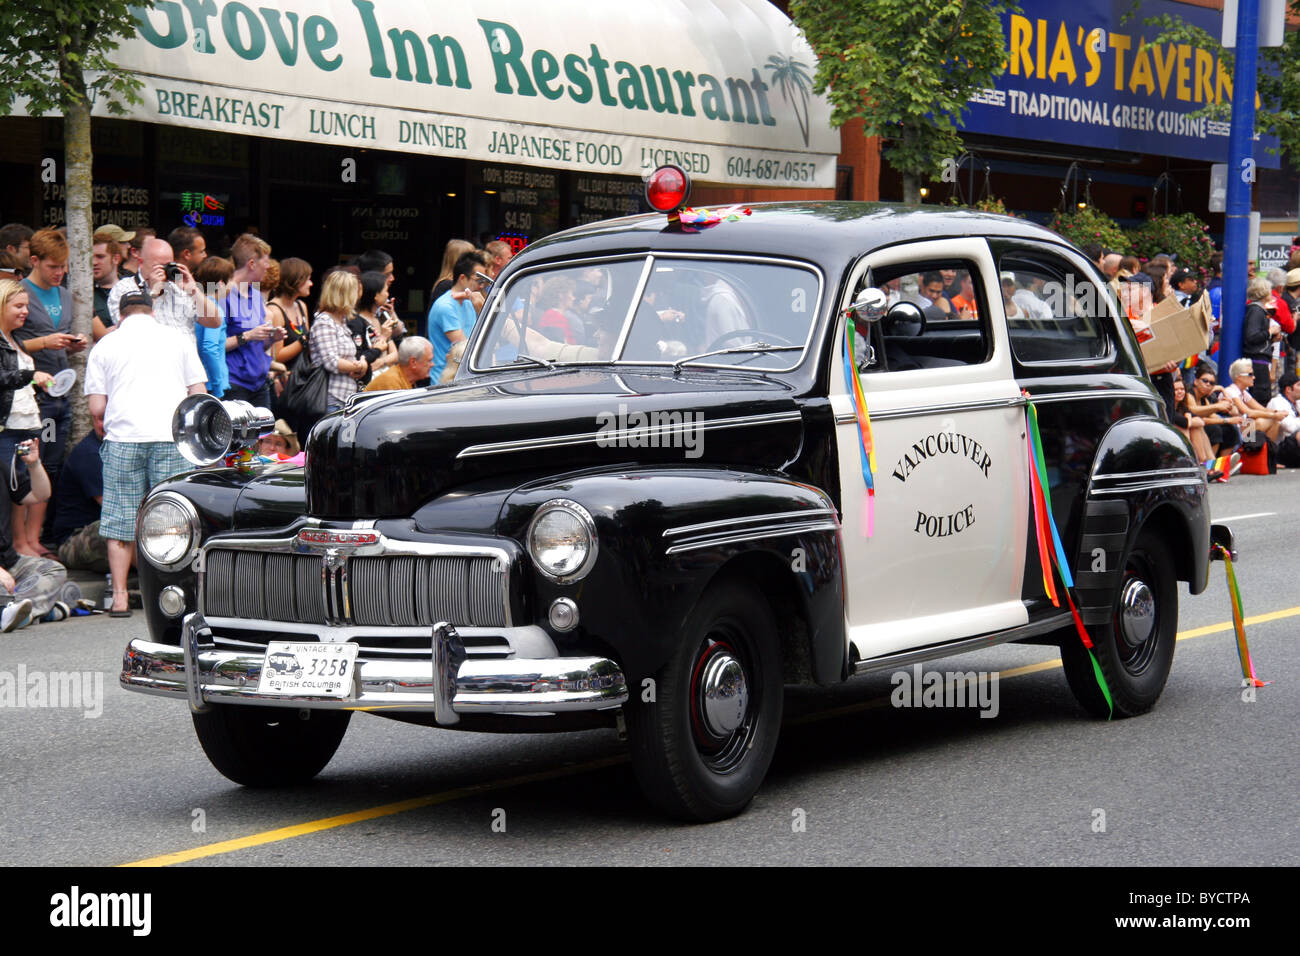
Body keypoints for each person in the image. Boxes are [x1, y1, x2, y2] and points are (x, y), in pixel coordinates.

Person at [85, 292, 206, 617]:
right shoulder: (178, 338)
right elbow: (199, 394)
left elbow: (97, 406)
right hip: (170, 437)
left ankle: (121, 596)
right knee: (172, 519)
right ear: (152, 312)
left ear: (121, 316)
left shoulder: (105, 345)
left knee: (121, 518)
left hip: (124, 438)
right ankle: (178, 595)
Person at [17, 228, 87, 545]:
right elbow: (9, 346)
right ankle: (26, 541)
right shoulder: (18, 294)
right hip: (33, 398)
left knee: (53, 466)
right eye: (52, 266)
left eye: (63, 266)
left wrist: (70, 346)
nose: (59, 273)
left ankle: (40, 538)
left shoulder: (65, 295)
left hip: (61, 396)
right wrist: (44, 342)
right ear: (34, 260)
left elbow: (57, 341)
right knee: (33, 465)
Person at [0, 278, 57, 560]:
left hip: (27, 425)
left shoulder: (16, 339)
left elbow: (17, 383)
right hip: (7, 429)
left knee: (23, 487)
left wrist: (38, 385)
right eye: (18, 306)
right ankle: (13, 549)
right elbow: (4, 378)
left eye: (27, 306)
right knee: (9, 489)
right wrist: (29, 376)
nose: (25, 312)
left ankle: (18, 546)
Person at [106, 235, 222, 334]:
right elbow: (129, 330)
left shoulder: (179, 288)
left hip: (182, 358)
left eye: (168, 265)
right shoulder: (124, 288)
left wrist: (194, 291)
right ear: (141, 262)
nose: (165, 271)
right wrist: (153, 293)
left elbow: (214, 322)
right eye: (159, 266)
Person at [222, 233, 280, 409]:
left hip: (259, 383)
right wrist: (247, 335)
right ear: (252, 264)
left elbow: (258, 343)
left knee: (263, 436)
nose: (269, 266)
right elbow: (212, 346)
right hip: (233, 383)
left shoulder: (255, 294)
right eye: (265, 261)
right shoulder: (221, 293)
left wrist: (271, 338)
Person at [309, 270, 368, 414]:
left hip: (344, 396)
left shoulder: (341, 321)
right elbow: (331, 361)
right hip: (331, 397)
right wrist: (358, 367)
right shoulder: (324, 322)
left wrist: (360, 364)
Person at [50, 422, 107, 573]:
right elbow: (110, 507)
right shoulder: (90, 453)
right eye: (100, 418)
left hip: (104, 530)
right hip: (73, 540)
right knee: (124, 527)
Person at [427, 252, 483, 380]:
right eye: (478, 280)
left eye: (483, 281)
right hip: (444, 378)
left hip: (463, 375)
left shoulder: (469, 302)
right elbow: (464, 349)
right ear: (462, 278)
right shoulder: (445, 306)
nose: (481, 285)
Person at [267, 257, 313, 400]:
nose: (311, 284)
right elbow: (277, 355)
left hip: (302, 379)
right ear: (295, 280)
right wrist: (304, 340)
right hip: (284, 382)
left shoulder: (301, 306)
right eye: (307, 279)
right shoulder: (275, 311)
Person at [350, 270, 402, 387]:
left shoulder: (380, 317)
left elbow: (395, 354)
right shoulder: (358, 322)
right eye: (385, 290)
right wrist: (383, 337)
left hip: (384, 377)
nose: (387, 294)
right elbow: (365, 355)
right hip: (370, 382)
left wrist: (382, 361)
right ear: (376, 296)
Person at [192, 256, 233, 399]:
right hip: (212, 386)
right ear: (221, 283)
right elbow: (209, 348)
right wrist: (217, 387)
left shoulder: (197, 304)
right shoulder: (214, 309)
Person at [1223, 357, 1286, 444]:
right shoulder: (1230, 391)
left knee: (1275, 422)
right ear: (1239, 377)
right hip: (1232, 429)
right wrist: (1273, 415)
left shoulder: (1244, 392)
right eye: (1250, 374)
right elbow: (1248, 413)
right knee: (1262, 422)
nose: (1254, 377)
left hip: (1243, 426)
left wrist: (1277, 412)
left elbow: (1261, 409)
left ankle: (1268, 453)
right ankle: (1262, 453)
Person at [1187, 363, 1244, 458]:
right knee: (1215, 430)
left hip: (1245, 423)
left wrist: (1223, 391)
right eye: (1205, 381)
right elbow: (1247, 411)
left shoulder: (1245, 393)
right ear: (1196, 382)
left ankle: (1223, 462)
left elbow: (1234, 412)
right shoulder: (1189, 393)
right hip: (1191, 426)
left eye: (1211, 383)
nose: (1208, 384)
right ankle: (1211, 464)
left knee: (1231, 429)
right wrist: (1272, 415)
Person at [1241, 276, 1279, 407]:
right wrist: (1270, 332)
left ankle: (1253, 427)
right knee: (1258, 400)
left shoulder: (1257, 311)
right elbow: (1251, 336)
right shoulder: (1256, 311)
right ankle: (1251, 428)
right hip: (1257, 362)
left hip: (1259, 361)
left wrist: (1271, 337)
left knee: (1259, 400)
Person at [364, 336, 433, 391]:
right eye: (429, 361)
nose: (432, 364)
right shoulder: (391, 383)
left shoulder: (406, 380)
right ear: (413, 362)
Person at [91, 231, 123, 340]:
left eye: (100, 257)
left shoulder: (133, 286)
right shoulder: (84, 293)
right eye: (91, 257)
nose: (94, 262)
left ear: (116, 259)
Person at [1268, 372, 1300, 467]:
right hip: (1281, 448)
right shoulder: (1277, 402)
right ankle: (1270, 460)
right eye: (1298, 385)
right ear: (1288, 389)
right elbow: (1289, 427)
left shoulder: (1297, 402)